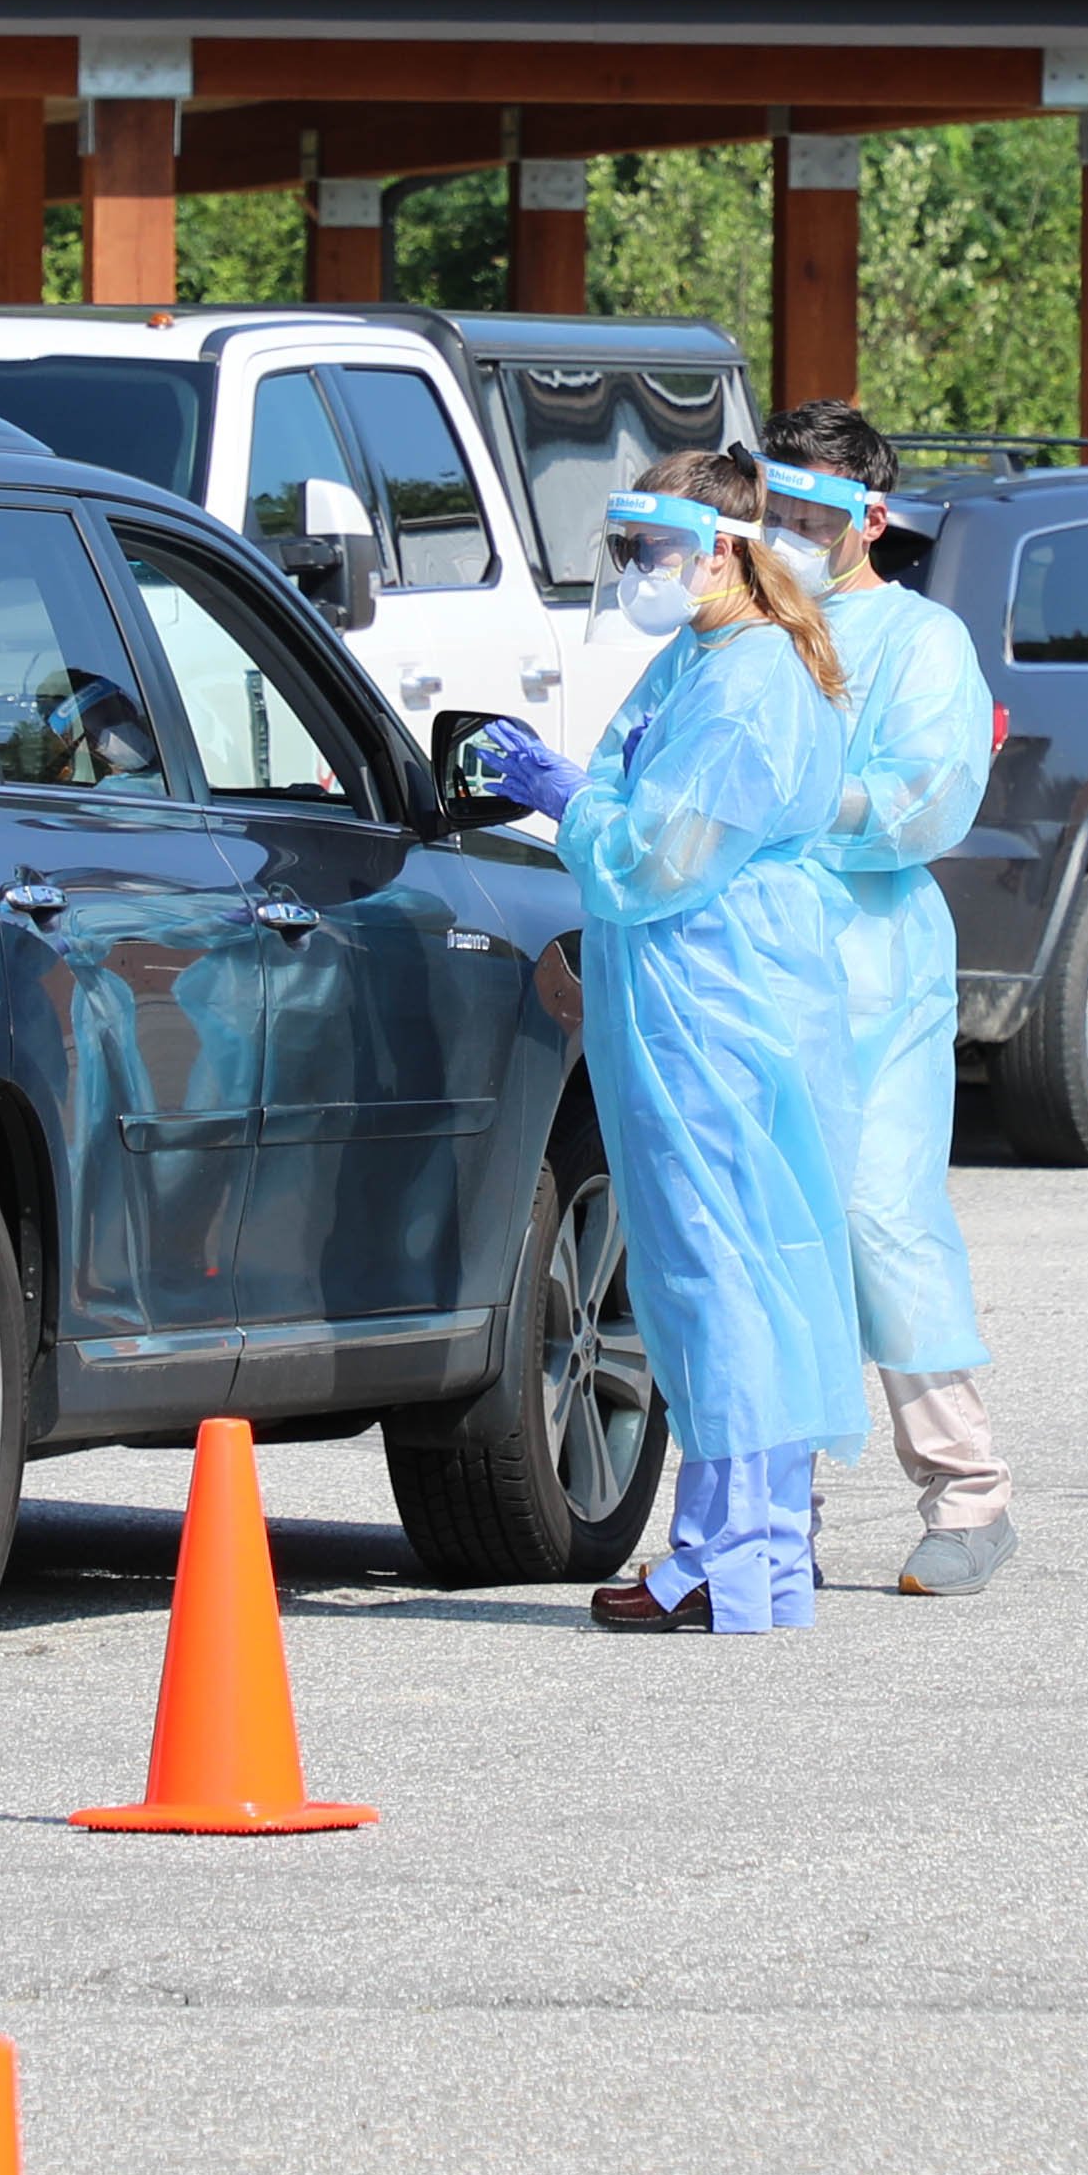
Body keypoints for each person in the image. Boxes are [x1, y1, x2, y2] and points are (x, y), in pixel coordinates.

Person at [477, 461, 864, 1628]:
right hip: (686, 989)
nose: (642, 569)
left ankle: (727, 1562)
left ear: (723, 545)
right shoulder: (701, 658)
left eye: (655, 543)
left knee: (722, 1278)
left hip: (717, 1003)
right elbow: (657, 816)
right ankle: (753, 1556)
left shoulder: (749, 682)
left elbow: (656, 856)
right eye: (631, 544)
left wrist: (562, 797)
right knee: (721, 1273)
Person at [760, 404, 1014, 1592]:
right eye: (778, 506)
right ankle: (768, 1516)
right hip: (743, 969)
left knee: (878, 1220)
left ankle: (967, 1494)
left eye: (816, 510)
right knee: (764, 1235)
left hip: (870, 976)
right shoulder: (738, 630)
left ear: (871, 515)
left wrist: (810, 802)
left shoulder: (920, 640)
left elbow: (929, 794)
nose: (792, 530)